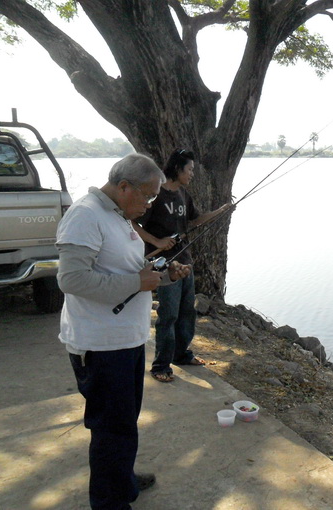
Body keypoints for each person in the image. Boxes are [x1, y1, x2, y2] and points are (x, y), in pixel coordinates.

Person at [56, 153, 192, 509]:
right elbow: (71, 279)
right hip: (100, 346)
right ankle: (110, 502)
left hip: (126, 341)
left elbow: (130, 268)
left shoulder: (118, 215)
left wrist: (162, 274)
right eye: (146, 196)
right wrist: (137, 280)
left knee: (124, 424)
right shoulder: (85, 216)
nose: (148, 206)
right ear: (123, 186)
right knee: (110, 429)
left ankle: (122, 480)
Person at [134, 149, 227, 383]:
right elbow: (132, 223)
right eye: (190, 169)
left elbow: (194, 221)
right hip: (164, 265)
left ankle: (181, 354)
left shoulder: (184, 195)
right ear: (177, 169)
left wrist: (220, 212)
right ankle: (160, 365)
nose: (192, 174)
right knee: (169, 314)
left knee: (187, 312)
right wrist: (157, 241)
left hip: (185, 261)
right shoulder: (155, 196)